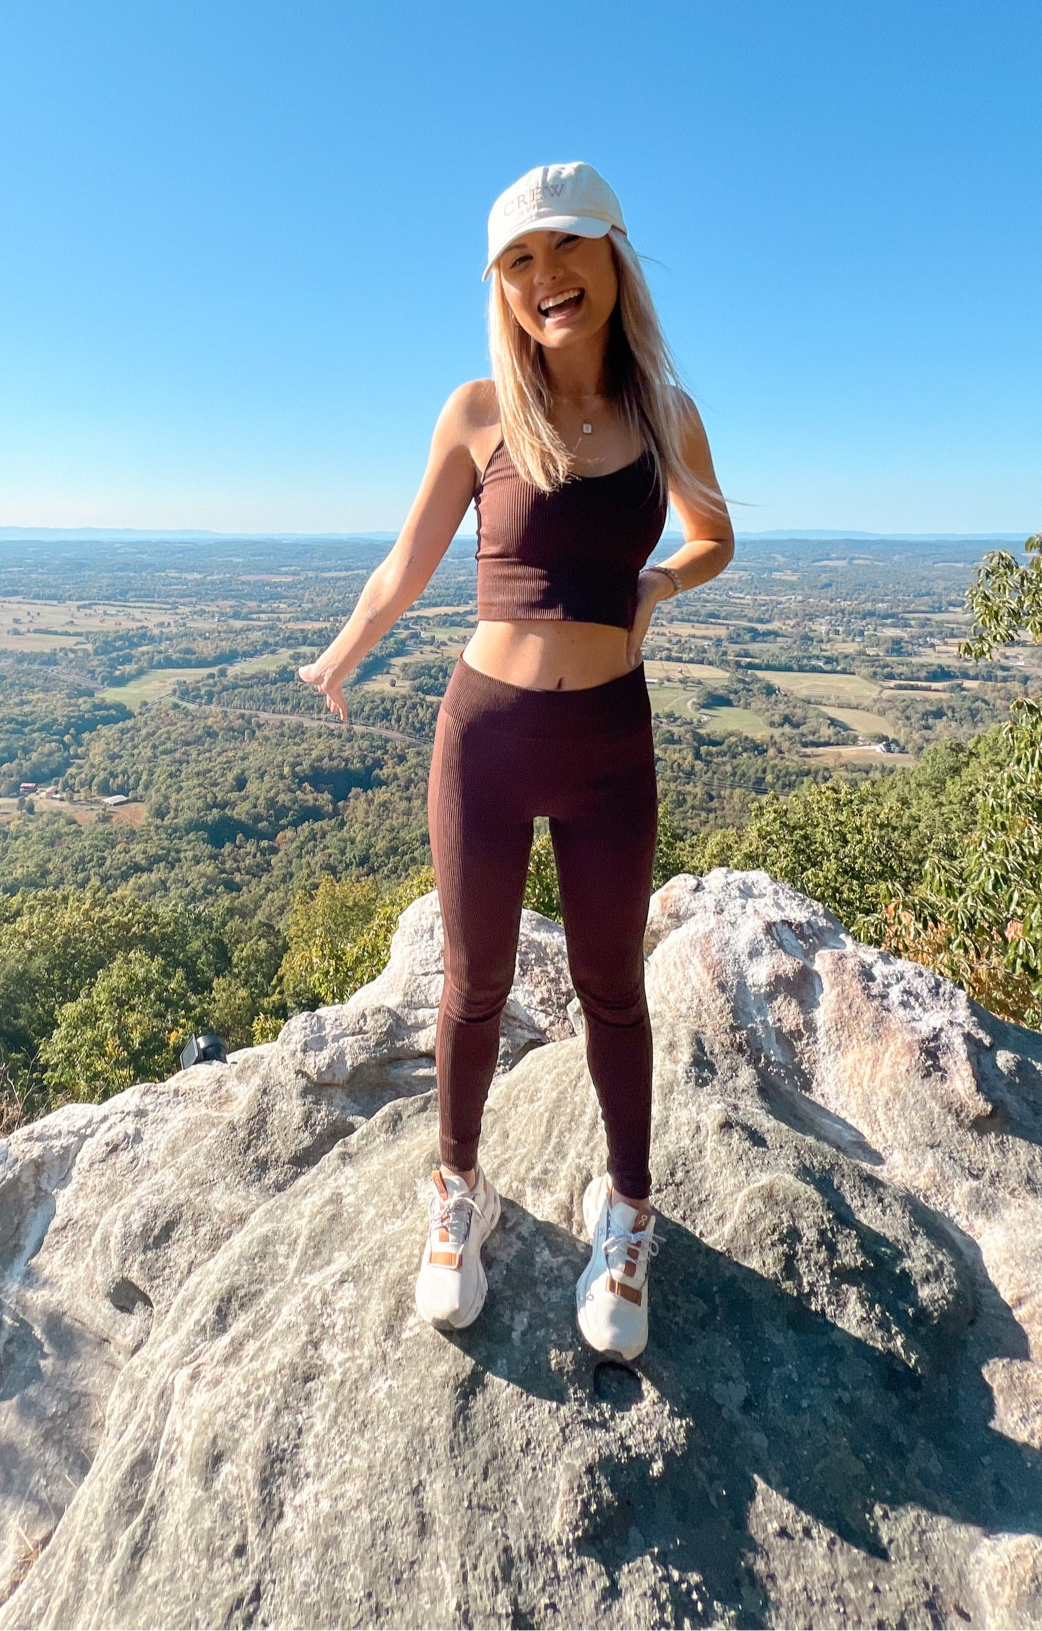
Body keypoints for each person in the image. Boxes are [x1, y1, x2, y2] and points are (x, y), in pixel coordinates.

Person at [298, 163, 733, 1359]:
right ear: (502, 285)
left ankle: (627, 1210)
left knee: (612, 987)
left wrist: (658, 580)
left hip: (608, 744)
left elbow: (717, 533)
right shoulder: (481, 411)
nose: (548, 280)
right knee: (473, 980)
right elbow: (407, 565)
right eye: (520, 263)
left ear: (615, 256)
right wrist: (341, 655)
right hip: (483, 736)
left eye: (567, 251)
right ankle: (457, 1192)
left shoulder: (665, 415)